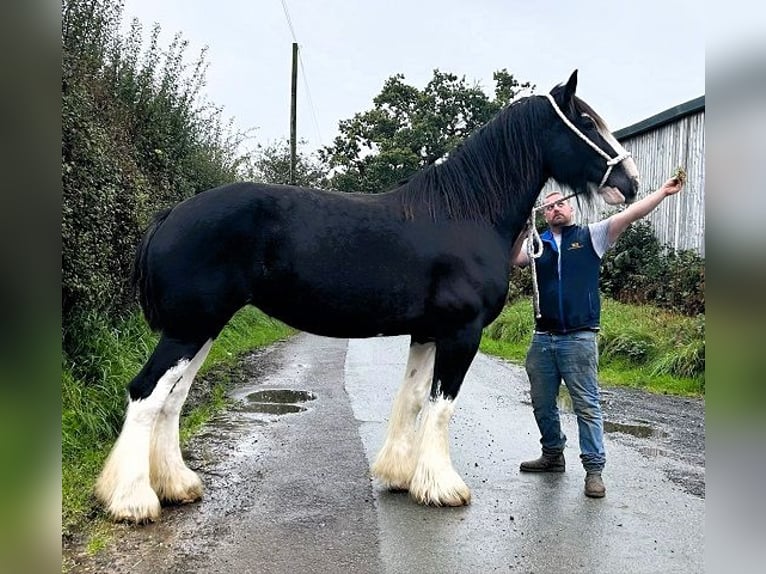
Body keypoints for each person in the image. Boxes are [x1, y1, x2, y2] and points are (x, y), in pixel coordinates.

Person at [510, 175, 684, 498]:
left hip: (579, 338)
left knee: (586, 405)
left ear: (572, 208)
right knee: (541, 403)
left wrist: (662, 191)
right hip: (543, 338)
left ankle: (593, 470)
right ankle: (552, 455)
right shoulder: (537, 243)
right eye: (548, 207)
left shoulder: (593, 236)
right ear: (543, 215)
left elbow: (631, 214)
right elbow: (512, 258)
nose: (555, 209)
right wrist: (521, 225)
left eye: (560, 203)